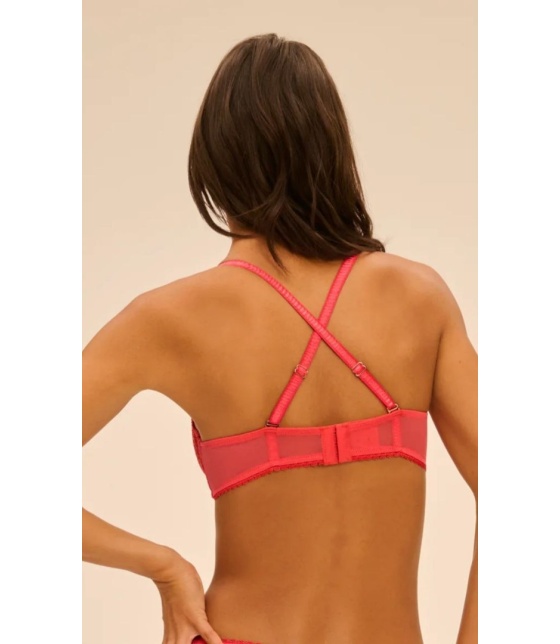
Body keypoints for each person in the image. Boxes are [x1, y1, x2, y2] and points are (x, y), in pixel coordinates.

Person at [83, 33, 477, 644]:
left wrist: (164, 567)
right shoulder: (419, 298)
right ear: (332, 149)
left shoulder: (172, 317)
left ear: (214, 160)